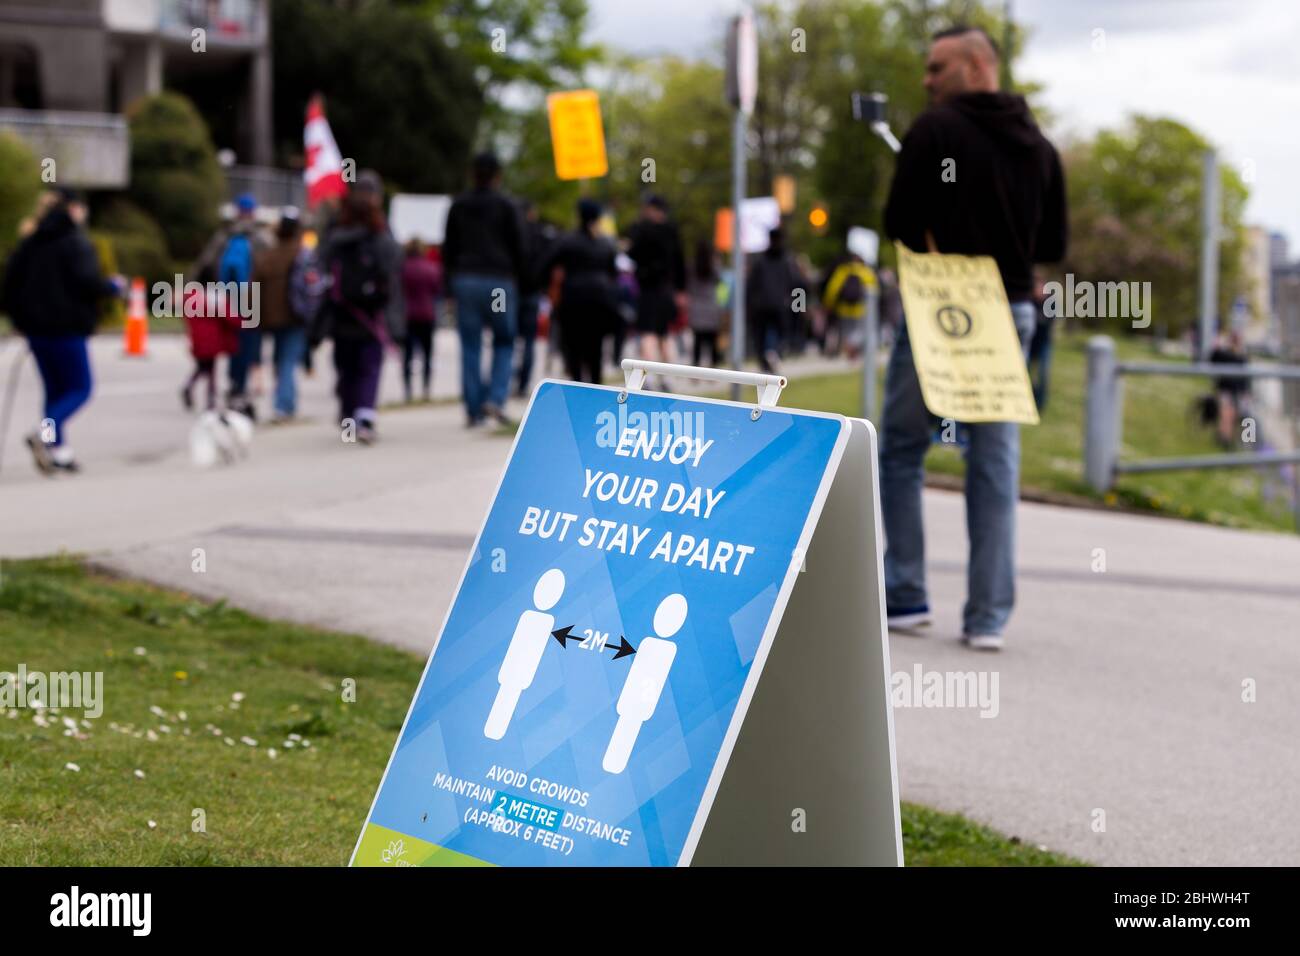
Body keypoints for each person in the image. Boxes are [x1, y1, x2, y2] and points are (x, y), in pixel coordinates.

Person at [880, 24, 1068, 651]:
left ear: (977, 64)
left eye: (937, 67)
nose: (927, 80)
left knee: (903, 445)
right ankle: (987, 618)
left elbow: (899, 223)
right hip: (1007, 308)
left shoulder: (934, 131)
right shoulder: (1040, 147)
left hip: (941, 301)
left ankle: (905, 594)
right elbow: (1051, 246)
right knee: (993, 463)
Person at [1, 189, 123, 474]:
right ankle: (43, 434)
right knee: (80, 388)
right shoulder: (75, 243)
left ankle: (59, 451)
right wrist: (114, 287)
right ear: (72, 209)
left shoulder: (30, 242)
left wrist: (20, 319)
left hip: (35, 331)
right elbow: (89, 282)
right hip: (67, 328)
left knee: (55, 392)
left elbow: (10, 285)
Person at [315, 175, 403, 444]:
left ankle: (348, 414)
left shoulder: (337, 232)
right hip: (371, 314)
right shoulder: (381, 233)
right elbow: (394, 271)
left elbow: (320, 264)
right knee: (369, 366)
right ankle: (364, 415)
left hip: (342, 312)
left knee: (346, 366)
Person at [443, 152, 523, 427]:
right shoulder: (506, 206)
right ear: (497, 176)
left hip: (465, 280)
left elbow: (448, 249)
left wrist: (448, 289)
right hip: (498, 282)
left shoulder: (459, 205)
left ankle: (473, 408)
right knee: (504, 340)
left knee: (470, 346)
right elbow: (520, 247)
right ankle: (495, 398)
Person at [193, 193, 268, 418]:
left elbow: (205, 264)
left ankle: (225, 389)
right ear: (254, 213)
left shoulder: (224, 236)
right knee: (249, 346)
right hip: (251, 300)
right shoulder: (261, 239)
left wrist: (191, 287)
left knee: (225, 345)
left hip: (224, 300)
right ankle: (240, 389)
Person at [537, 198, 620, 384]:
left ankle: (577, 385)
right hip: (600, 301)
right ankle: (596, 386)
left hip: (572, 301)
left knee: (573, 347)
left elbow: (544, 266)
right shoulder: (605, 244)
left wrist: (545, 290)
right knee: (596, 349)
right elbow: (613, 273)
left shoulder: (566, 241)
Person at [250, 209, 310, 423]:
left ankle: (286, 403)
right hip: (296, 316)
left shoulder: (268, 256)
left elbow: (254, 289)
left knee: (280, 359)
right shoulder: (302, 254)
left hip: (271, 318)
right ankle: (284, 406)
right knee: (288, 361)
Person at [627, 193, 686, 365]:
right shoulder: (671, 231)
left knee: (648, 333)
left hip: (648, 288)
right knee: (664, 333)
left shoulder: (642, 229)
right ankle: (667, 375)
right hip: (666, 289)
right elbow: (679, 261)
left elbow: (632, 253)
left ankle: (651, 375)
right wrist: (681, 289)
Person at [745, 226, 806, 373]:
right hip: (781, 305)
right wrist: (799, 307)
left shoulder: (761, 261)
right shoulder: (788, 261)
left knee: (761, 337)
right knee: (782, 335)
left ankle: (767, 362)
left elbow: (750, 286)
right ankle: (774, 354)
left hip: (761, 305)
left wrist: (750, 304)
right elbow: (798, 285)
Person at [515, 200, 553, 397]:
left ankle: (512, 380)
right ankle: (523, 383)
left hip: (512, 291)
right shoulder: (540, 235)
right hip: (532, 291)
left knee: (511, 339)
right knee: (529, 339)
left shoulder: (513, 234)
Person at [400, 239, 442, 402]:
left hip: (408, 315)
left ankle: (408, 389)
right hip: (426, 314)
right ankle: (426, 388)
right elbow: (437, 289)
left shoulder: (402, 268)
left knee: (408, 355)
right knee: (427, 353)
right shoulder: (431, 268)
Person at [820, 250, 877, 358]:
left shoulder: (843, 271)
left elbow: (832, 289)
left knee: (846, 331)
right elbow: (874, 291)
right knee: (859, 331)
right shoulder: (866, 272)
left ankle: (848, 352)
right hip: (861, 309)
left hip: (844, 308)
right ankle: (853, 353)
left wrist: (828, 303)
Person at [1209, 329, 1249, 447]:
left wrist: (1245, 392)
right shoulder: (1225, 353)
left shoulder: (1242, 356)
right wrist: (1217, 347)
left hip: (1236, 391)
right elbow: (1213, 358)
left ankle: (1227, 439)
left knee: (1233, 415)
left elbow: (1244, 377)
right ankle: (1224, 439)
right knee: (1226, 414)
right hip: (1225, 390)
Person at [687, 239, 723, 368]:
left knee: (698, 341)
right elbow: (719, 280)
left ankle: (696, 369)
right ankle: (714, 368)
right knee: (712, 341)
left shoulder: (691, 266)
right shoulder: (713, 266)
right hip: (710, 305)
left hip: (696, 306)